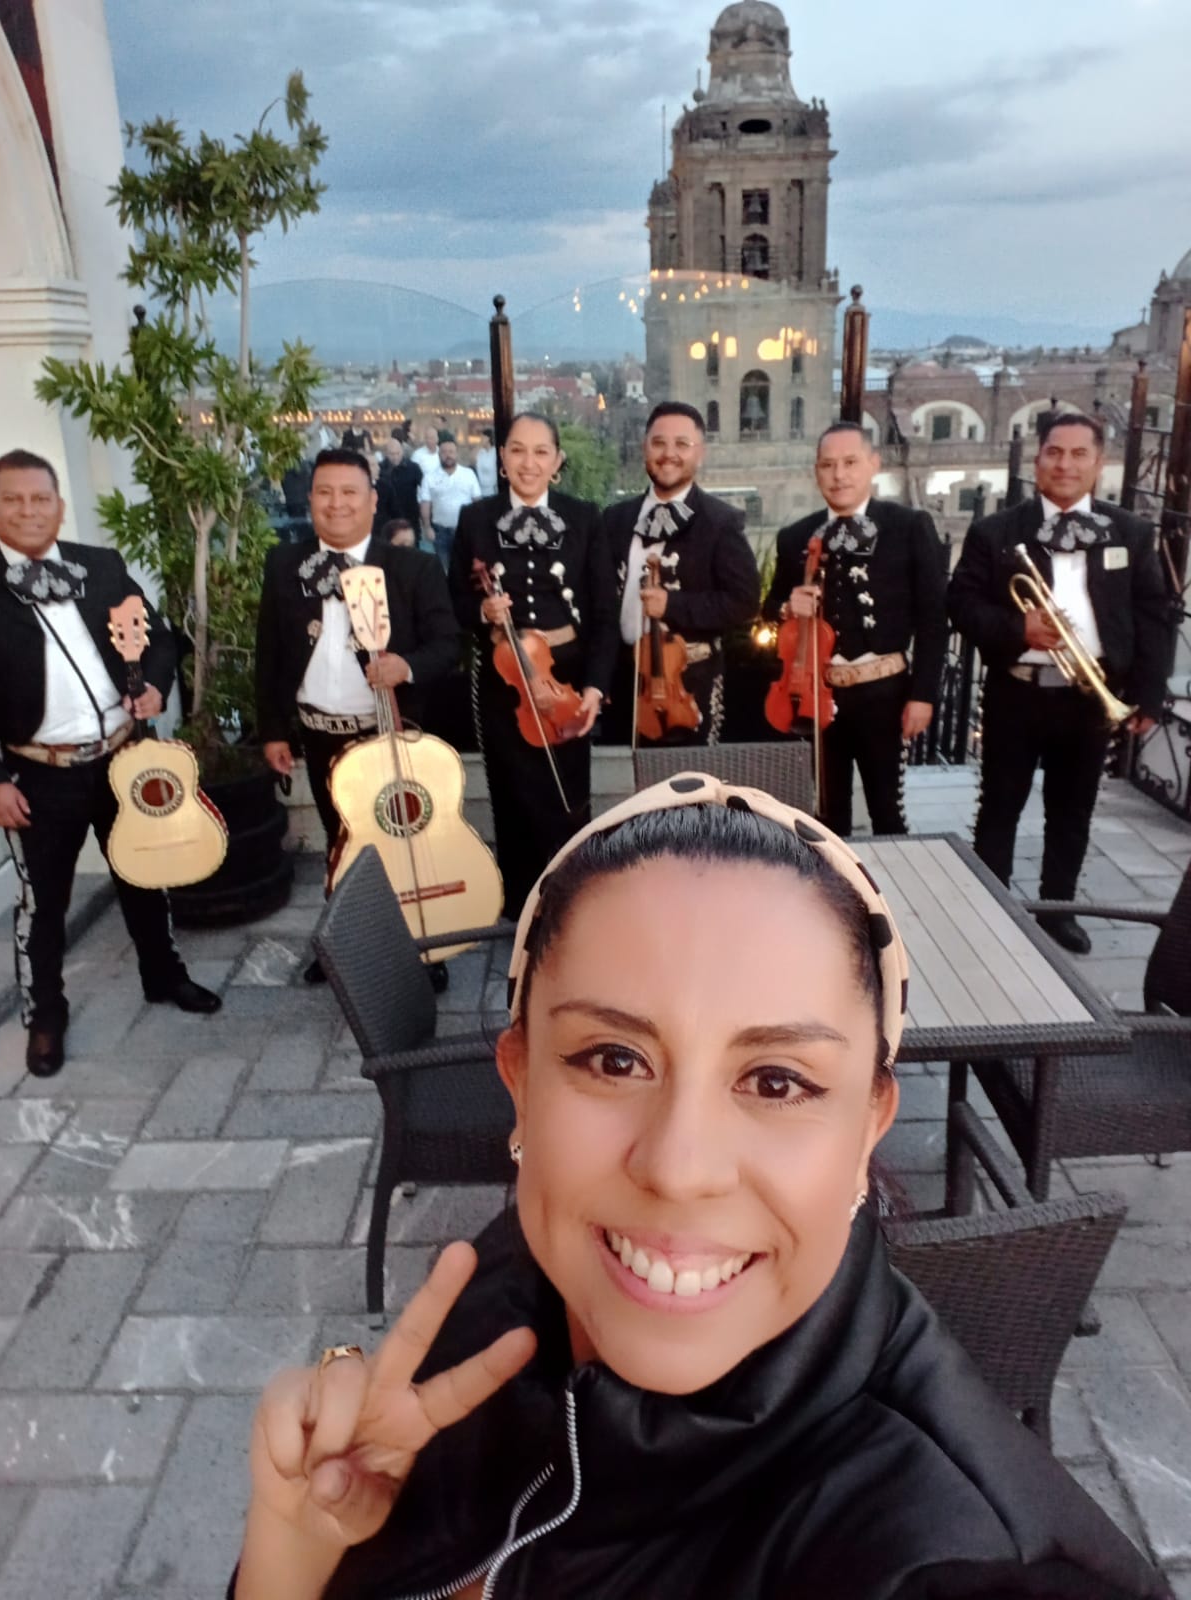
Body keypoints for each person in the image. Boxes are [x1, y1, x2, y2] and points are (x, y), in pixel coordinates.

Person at [230, 775, 1168, 1600]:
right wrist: (293, 1559)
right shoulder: (511, 1287)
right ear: (520, 1081)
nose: (676, 1170)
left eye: (777, 1082)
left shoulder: (961, 1565)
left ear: (868, 1126)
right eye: (613, 1058)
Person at [0, 449, 220, 1077]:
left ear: (60, 505)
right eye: (13, 499)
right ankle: (46, 1015)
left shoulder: (101, 566)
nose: (29, 511)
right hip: (37, 774)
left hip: (122, 758)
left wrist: (155, 685)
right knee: (44, 904)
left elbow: (162, 637)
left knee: (147, 874)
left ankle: (163, 975)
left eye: (41, 499)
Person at [949, 412, 1167, 953]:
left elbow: (1155, 614)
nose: (1064, 464)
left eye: (1078, 454)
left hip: (1090, 697)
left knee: (1072, 810)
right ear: (1038, 458)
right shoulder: (994, 531)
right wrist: (1017, 626)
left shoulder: (1132, 533)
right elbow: (960, 605)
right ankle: (993, 906)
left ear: (1098, 463)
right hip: (1016, 690)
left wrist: (1147, 694)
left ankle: (1059, 910)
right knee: (999, 805)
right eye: (1054, 452)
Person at [255, 448, 460, 981]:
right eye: (324, 492)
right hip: (321, 733)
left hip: (391, 733)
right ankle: (345, 942)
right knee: (342, 843)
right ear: (310, 498)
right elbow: (271, 653)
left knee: (407, 841)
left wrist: (406, 666)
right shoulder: (285, 564)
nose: (336, 503)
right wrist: (274, 730)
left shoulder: (412, 567)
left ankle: (424, 946)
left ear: (372, 501)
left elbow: (449, 645)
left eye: (350, 492)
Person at [448, 413, 617, 918]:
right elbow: (454, 599)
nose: (529, 462)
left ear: (558, 461)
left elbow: (606, 615)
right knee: (511, 794)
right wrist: (482, 611)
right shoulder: (475, 519)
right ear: (502, 459)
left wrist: (594, 688)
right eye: (517, 450)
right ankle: (520, 908)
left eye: (541, 452)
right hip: (505, 680)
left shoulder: (586, 517)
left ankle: (570, 904)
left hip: (564, 678)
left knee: (568, 797)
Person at [763, 422, 949, 836]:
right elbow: (769, 608)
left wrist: (923, 695)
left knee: (887, 810)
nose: (839, 475)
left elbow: (934, 619)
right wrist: (785, 607)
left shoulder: (908, 526)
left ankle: (892, 897)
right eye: (828, 465)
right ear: (816, 471)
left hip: (884, 692)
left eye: (850, 463)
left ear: (873, 465)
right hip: (816, 694)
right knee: (827, 814)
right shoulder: (796, 536)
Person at [602, 402, 760, 745]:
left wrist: (672, 605)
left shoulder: (720, 522)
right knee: (635, 794)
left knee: (693, 790)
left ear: (700, 453)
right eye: (658, 443)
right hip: (626, 682)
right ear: (645, 448)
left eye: (682, 444)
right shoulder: (616, 519)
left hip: (692, 683)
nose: (668, 454)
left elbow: (744, 602)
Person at [420, 440, 481, 571]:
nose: (448, 455)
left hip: (464, 532)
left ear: (457, 454)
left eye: (451, 452)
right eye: (444, 452)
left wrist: (477, 528)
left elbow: (477, 502)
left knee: (465, 569)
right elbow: (425, 503)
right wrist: (427, 527)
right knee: (444, 570)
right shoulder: (429, 477)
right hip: (440, 532)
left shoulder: (468, 474)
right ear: (439, 454)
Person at [373, 437, 423, 543]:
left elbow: (424, 489)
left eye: (398, 453)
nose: (395, 457)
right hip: (387, 520)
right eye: (392, 454)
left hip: (410, 516)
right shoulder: (379, 469)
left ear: (402, 452)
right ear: (386, 453)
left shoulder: (413, 468)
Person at [474, 427, 498, 497]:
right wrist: (479, 445)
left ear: (488, 438)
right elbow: (472, 459)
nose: (480, 439)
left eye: (482, 437)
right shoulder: (481, 451)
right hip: (480, 489)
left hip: (492, 490)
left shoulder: (494, 452)